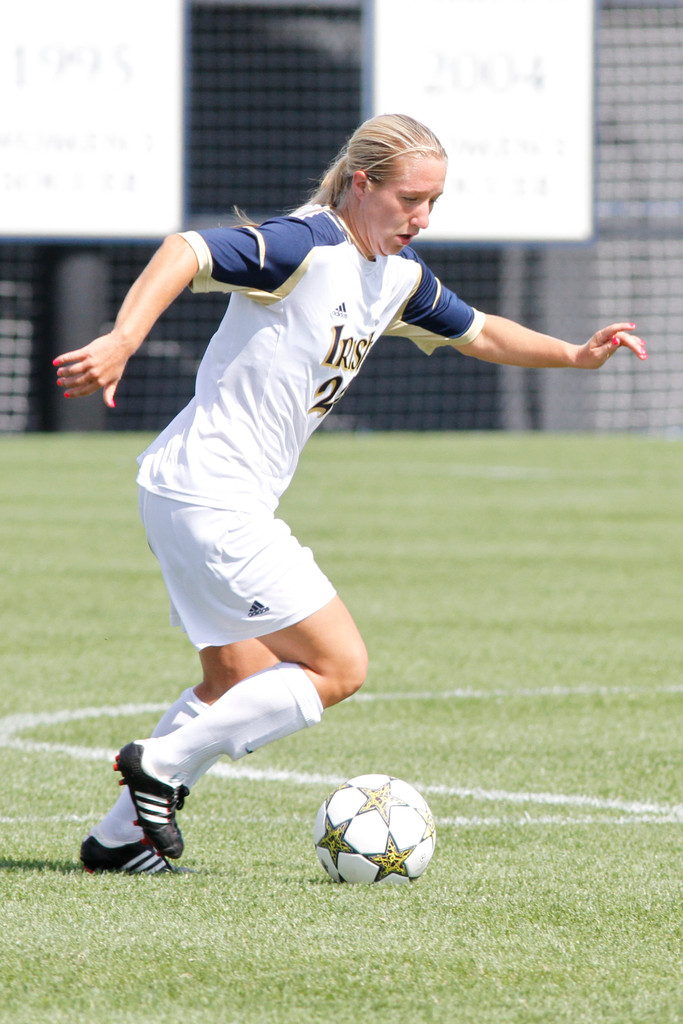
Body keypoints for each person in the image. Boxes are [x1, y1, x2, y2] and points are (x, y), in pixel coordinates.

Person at [54, 114, 648, 873]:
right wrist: (123, 339)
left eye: (434, 202)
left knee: (231, 678)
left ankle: (116, 842)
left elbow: (482, 332)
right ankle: (159, 764)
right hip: (212, 498)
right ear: (361, 184)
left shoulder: (395, 278)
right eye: (409, 198)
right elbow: (186, 250)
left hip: (182, 490)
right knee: (340, 667)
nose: (422, 217)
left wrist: (572, 353)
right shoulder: (308, 246)